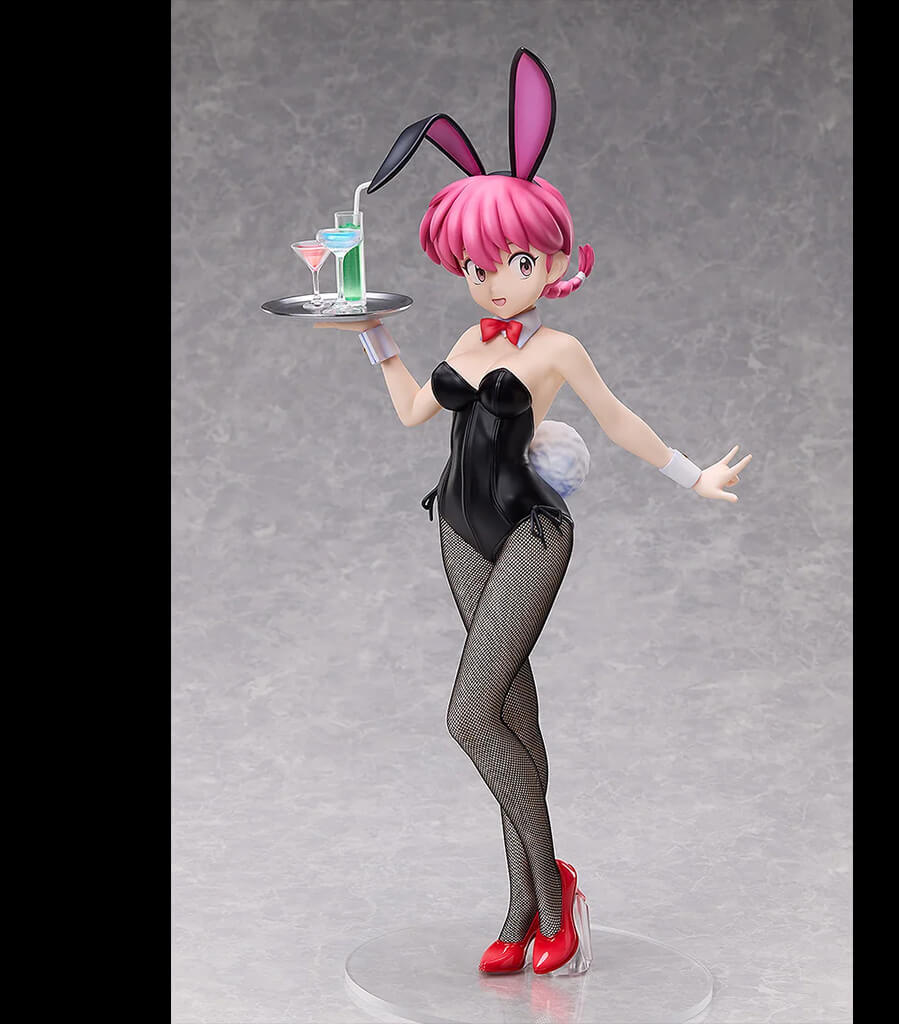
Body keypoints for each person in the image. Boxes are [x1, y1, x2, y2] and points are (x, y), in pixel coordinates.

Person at [315, 48, 752, 977]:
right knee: (512, 710)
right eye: (478, 264)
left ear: (552, 261)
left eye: (515, 261)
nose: (496, 280)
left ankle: (555, 896)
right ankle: (519, 910)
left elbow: (618, 421)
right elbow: (414, 411)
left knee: (469, 716)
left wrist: (693, 477)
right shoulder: (466, 334)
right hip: (457, 529)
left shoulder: (557, 349)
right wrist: (375, 337)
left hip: (529, 532)